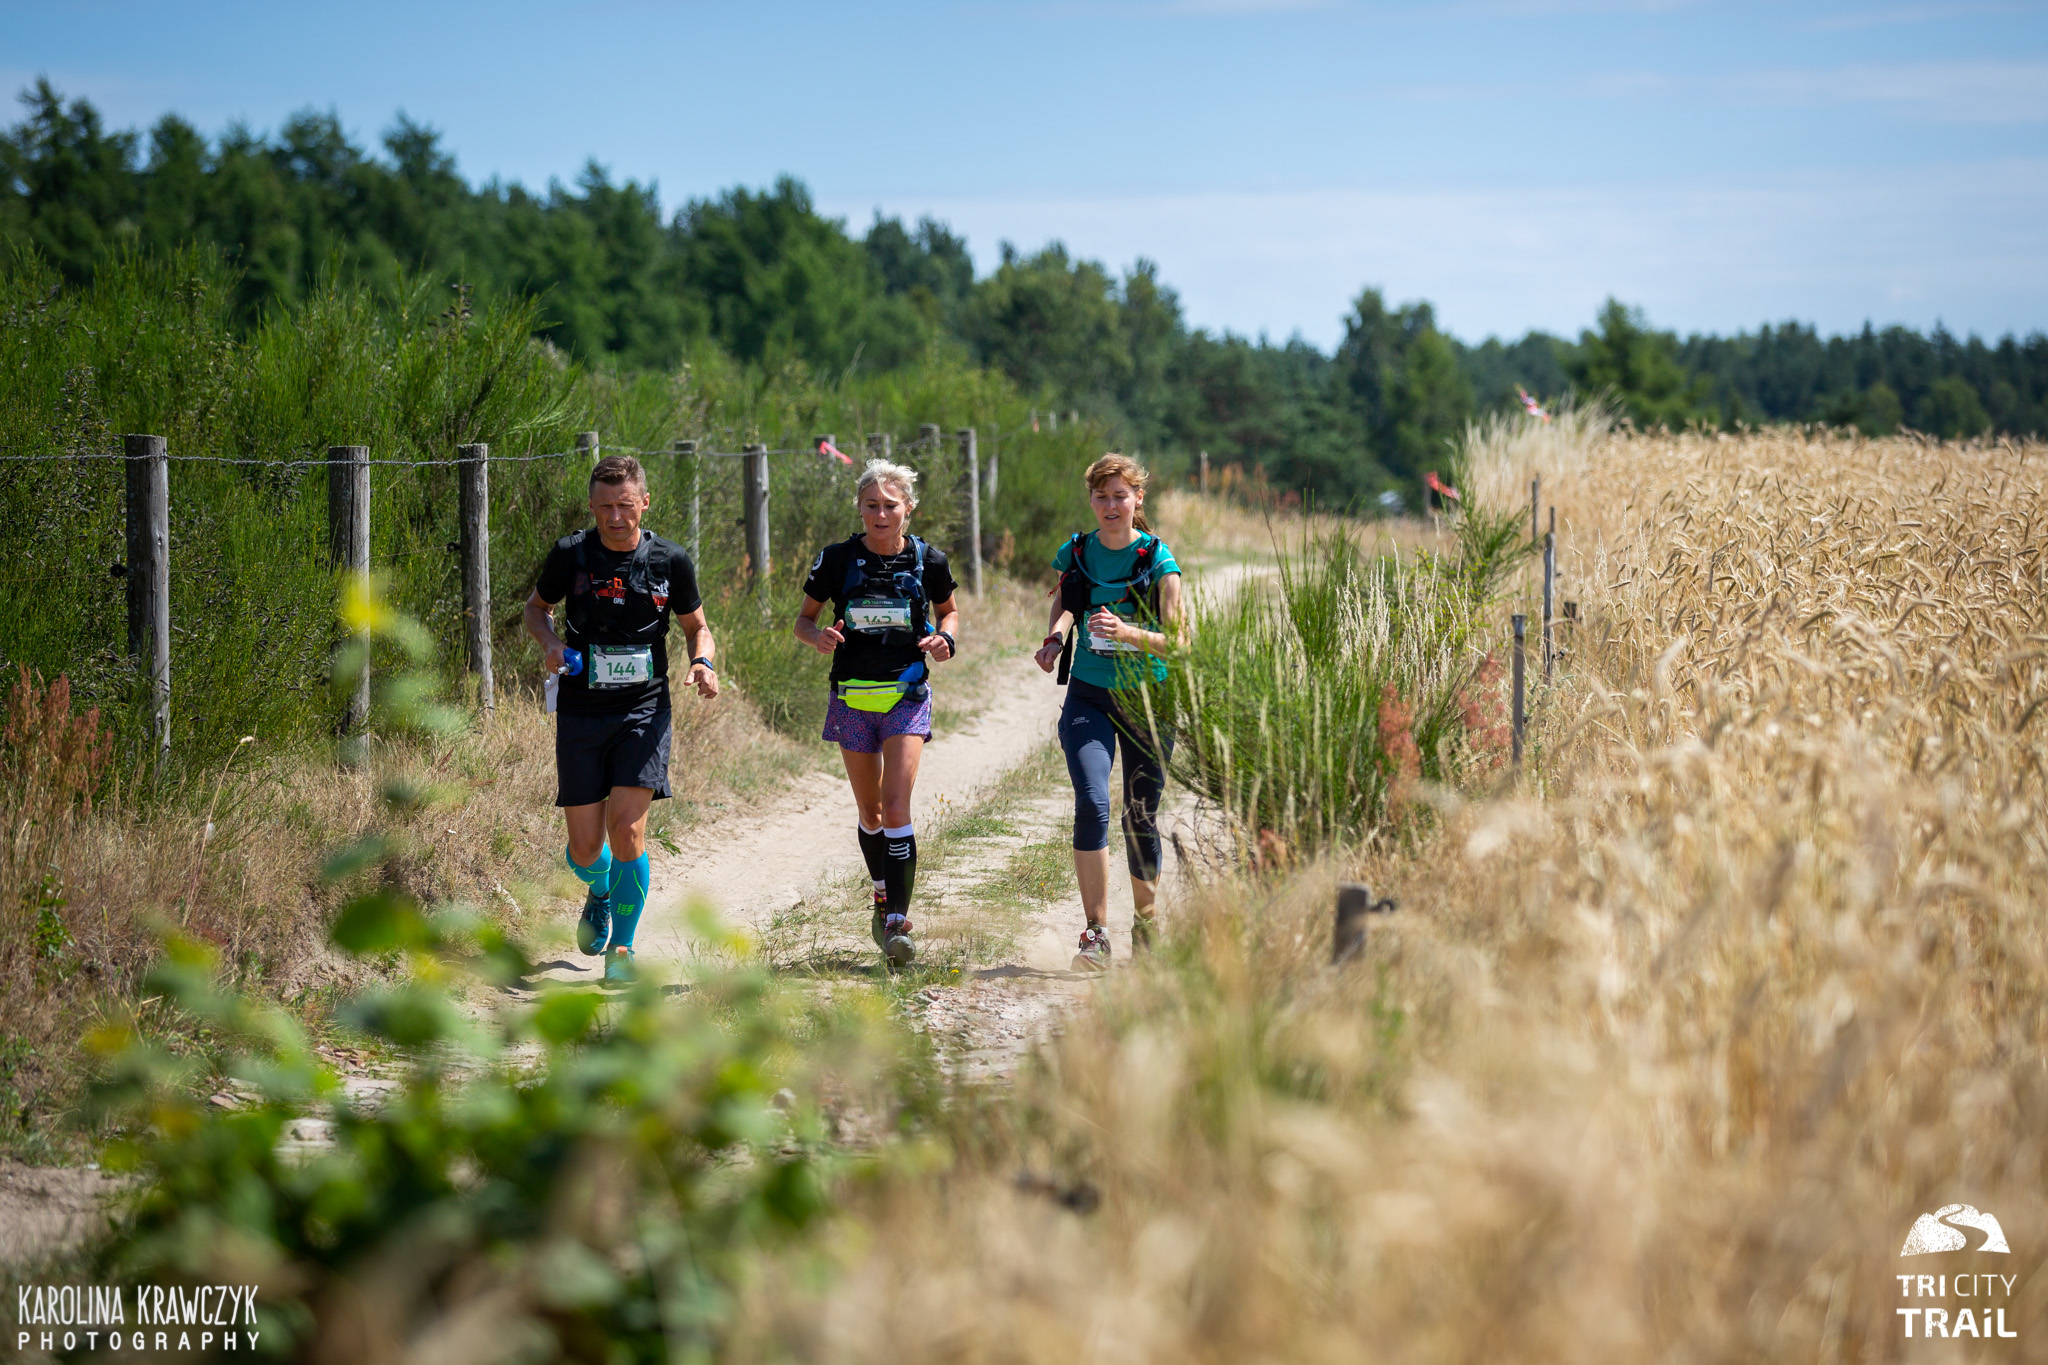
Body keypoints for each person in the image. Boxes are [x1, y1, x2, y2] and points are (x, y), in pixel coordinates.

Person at [523, 454, 719, 985]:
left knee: (628, 830)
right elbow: (536, 609)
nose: (615, 517)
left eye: (626, 505)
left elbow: (697, 627)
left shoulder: (670, 560)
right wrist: (551, 644)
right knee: (586, 848)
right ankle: (601, 887)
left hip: (644, 709)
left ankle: (623, 951)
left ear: (644, 503)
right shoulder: (571, 554)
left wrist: (702, 663)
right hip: (582, 709)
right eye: (605, 506)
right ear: (591, 506)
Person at [795, 459, 960, 969]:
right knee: (870, 814)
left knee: (895, 808)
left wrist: (945, 638)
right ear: (860, 509)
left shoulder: (929, 560)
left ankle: (897, 923)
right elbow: (804, 620)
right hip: (852, 697)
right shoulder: (836, 559)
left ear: (909, 509)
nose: (881, 514)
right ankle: (882, 894)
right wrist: (818, 638)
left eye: (891, 505)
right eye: (872, 506)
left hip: (906, 696)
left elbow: (949, 611)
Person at [1034, 454, 1184, 972]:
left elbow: (1180, 642)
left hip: (1148, 700)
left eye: (1121, 496)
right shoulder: (1076, 551)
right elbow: (1066, 603)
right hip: (1089, 695)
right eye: (1102, 497)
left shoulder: (1159, 560)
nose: (1111, 505)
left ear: (1138, 498)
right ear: (1091, 500)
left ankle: (1146, 924)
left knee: (1139, 814)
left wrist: (1128, 633)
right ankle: (1095, 935)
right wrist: (1055, 638)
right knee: (1092, 803)